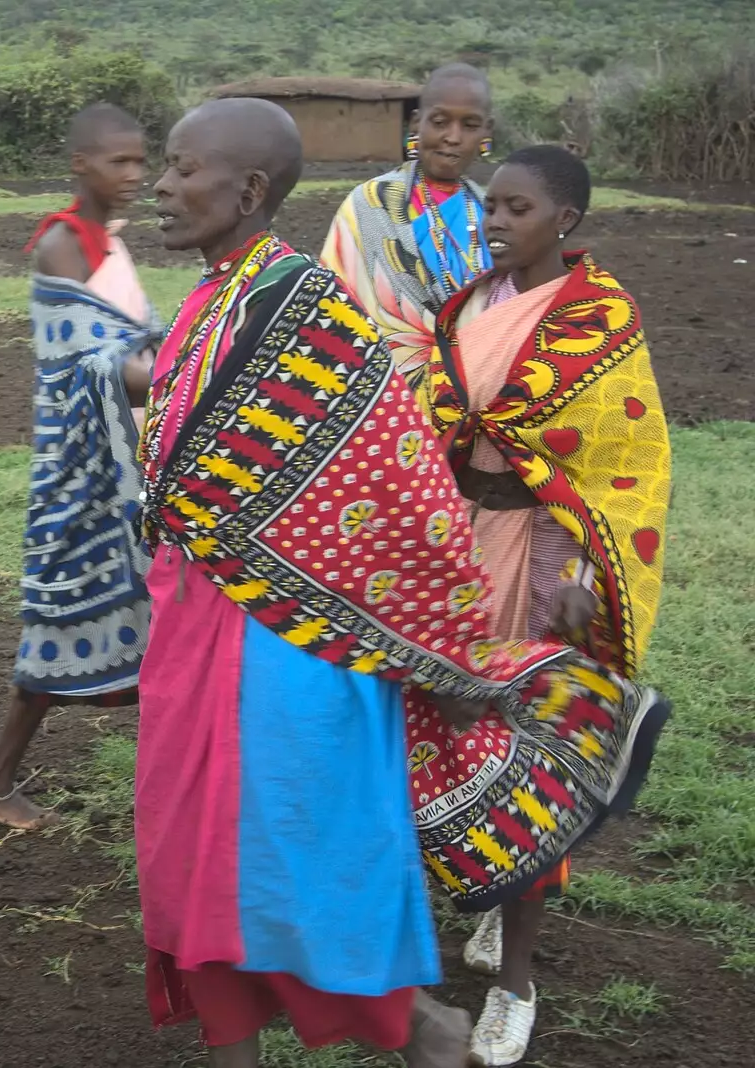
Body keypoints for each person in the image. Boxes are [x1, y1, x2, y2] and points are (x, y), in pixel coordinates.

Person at [135, 98, 671, 1068]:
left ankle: (433, 1024)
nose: (160, 188)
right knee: (195, 857)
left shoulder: (300, 302)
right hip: (200, 624)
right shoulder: (220, 296)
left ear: (249, 191)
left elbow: (390, 464)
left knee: (274, 849)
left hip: (285, 632)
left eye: (180, 169)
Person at [413, 145, 671, 1067]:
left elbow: (623, 468)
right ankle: (481, 890)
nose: (494, 221)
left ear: (564, 218)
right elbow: (432, 429)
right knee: (445, 737)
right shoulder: (467, 305)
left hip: (546, 556)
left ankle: (516, 981)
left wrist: (584, 580)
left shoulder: (600, 321)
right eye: (492, 206)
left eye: (516, 209)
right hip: (455, 552)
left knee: (532, 751)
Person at [0, 103, 159, 831]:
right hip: (83, 472)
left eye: (143, 161)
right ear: (81, 164)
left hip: (124, 459)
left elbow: (127, 341)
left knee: (154, 619)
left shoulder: (107, 242)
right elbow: (87, 366)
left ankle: (171, 781)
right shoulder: (61, 247)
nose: (136, 175)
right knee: (59, 621)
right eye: (120, 162)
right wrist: (189, 364)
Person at [322, 64, 494, 388]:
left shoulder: (493, 215)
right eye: (440, 122)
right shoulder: (368, 205)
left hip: (478, 396)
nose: (452, 137)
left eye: (469, 125)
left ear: (487, 132)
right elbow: (334, 311)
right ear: (417, 123)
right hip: (379, 397)